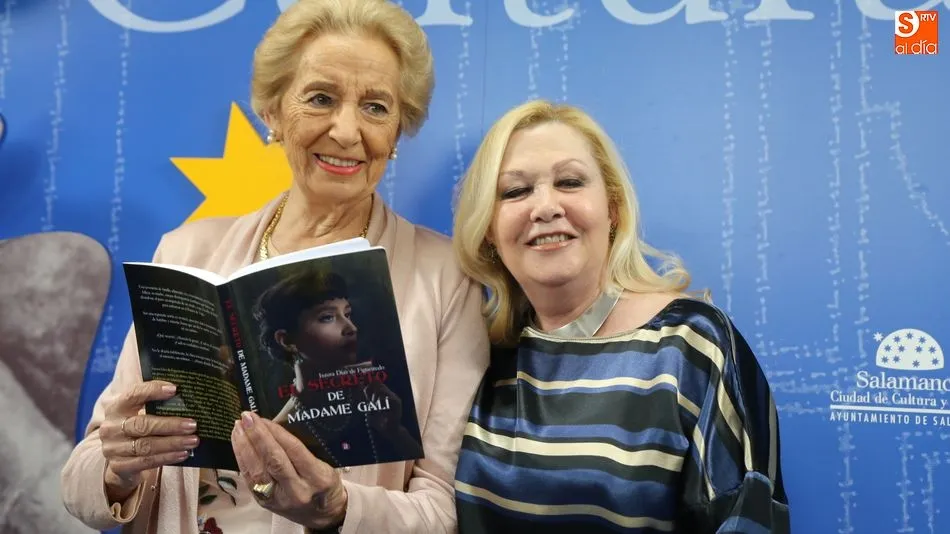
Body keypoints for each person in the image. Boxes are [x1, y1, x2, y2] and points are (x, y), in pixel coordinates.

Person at [60, 1, 490, 533]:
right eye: (320, 98)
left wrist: (340, 508)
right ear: (271, 113)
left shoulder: (447, 278)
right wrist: (118, 468)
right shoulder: (185, 253)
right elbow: (81, 480)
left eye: (376, 107)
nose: (347, 131)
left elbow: (442, 508)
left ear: (399, 131)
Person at [450, 100, 790, 533]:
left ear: (612, 209)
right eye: (516, 191)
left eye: (570, 182)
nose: (546, 207)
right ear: (488, 230)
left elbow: (749, 520)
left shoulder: (691, 346)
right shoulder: (481, 355)